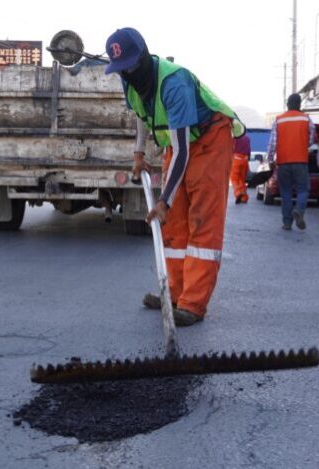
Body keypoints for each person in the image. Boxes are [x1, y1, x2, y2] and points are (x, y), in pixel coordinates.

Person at [104, 27, 244, 327]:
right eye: (120, 69)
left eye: (129, 66)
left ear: (143, 57)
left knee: (202, 220)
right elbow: (142, 116)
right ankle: (174, 294)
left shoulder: (173, 83)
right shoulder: (129, 84)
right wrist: (138, 154)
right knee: (174, 223)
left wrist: (164, 200)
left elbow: (182, 151)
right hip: (180, 145)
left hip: (209, 138)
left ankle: (193, 304)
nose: (126, 74)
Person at [267, 94, 316, 230]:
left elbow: (272, 143)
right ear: (299, 104)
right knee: (303, 190)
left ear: (287, 104)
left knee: (286, 192)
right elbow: (311, 139)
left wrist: (270, 160)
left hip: (283, 162)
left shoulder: (279, 120)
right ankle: (299, 211)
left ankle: (287, 223)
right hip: (300, 161)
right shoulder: (306, 119)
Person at [230, 133, 252, 204]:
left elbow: (231, 148)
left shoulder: (234, 138)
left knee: (234, 179)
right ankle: (244, 198)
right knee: (242, 180)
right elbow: (249, 150)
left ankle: (238, 193)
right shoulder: (247, 138)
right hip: (245, 160)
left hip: (236, 159)